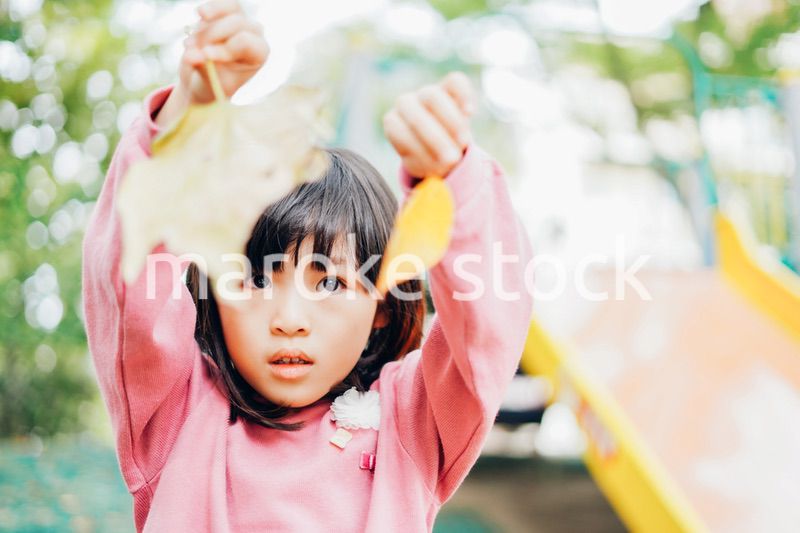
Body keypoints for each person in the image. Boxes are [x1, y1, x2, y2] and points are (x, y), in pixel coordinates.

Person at [82, 1, 534, 531]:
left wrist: (456, 181)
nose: (290, 317)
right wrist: (185, 119)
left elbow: (488, 332)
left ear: (383, 305)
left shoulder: (412, 421)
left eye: (331, 281)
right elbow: (130, 286)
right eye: (252, 279)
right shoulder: (175, 414)